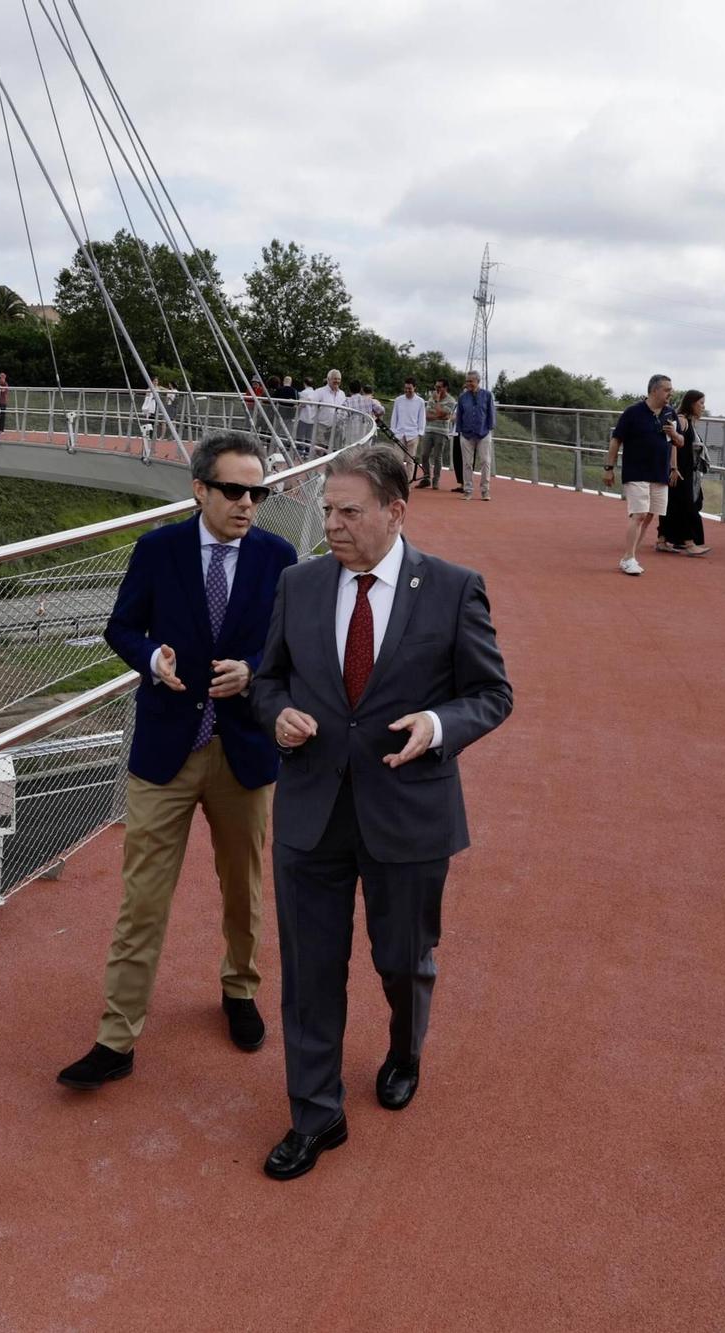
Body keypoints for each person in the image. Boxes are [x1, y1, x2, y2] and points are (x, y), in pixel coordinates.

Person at [250, 445, 512, 1179]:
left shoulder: (454, 589)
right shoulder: (299, 585)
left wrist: (437, 726)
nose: (330, 524)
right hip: (312, 809)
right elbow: (267, 680)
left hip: (408, 812)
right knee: (308, 970)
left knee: (401, 959)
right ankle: (315, 1113)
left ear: (397, 511)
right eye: (327, 510)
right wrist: (278, 716)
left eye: (348, 512)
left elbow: (491, 694)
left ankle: (405, 1047)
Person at [58, 433, 299, 1091]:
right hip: (165, 750)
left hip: (244, 750)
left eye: (258, 492)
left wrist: (251, 671)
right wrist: (151, 657)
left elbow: (289, 646)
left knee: (243, 888)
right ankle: (116, 1037)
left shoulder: (280, 556)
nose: (248, 503)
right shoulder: (157, 549)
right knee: (142, 898)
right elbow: (121, 627)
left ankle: (239, 989)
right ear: (200, 488)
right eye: (234, 490)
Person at [604, 374, 682, 575]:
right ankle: (629, 558)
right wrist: (609, 468)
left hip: (659, 472)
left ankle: (629, 557)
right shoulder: (633, 412)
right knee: (638, 514)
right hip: (636, 471)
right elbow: (616, 440)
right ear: (654, 390)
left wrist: (673, 434)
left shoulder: (670, 413)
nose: (670, 393)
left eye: (670, 390)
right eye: (666, 390)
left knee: (648, 516)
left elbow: (680, 442)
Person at [658, 389, 710, 556]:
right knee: (687, 506)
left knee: (672, 505)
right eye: (700, 403)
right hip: (679, 470)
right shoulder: (682, 420)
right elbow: (673, 442)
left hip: (683, 469)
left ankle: (662, 540)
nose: (703, 406)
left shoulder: (687, 421)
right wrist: (674, 468)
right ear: (692, 403)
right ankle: (689, 544)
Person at [455, 371, 496, 500]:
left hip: (483, 433)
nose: (468, 384)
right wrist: (459, 430)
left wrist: (489, 427)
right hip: (466, 434)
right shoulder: (462, 397)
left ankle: (485, 490)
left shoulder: (487, 395)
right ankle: (467, 490)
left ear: (477, 381)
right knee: (467, 463)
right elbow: (459, 415)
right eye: (467, 381)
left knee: (485, 461)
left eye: (471, 381)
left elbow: (491, 413)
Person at [418, 379, 454, 489]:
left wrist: (438, 402)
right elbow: (427, 415)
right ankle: (426, 477)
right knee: (424, 455)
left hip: (441, 432)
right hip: (429, 430)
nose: (437, 389)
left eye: (439, 387)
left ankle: (436, 480)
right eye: (436, 387)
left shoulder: (451, 401)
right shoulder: (430, 399)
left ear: (445, 388)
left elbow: (441, 413)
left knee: (437, 456)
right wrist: (440, 416)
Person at [304, 368, 347, 454]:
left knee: (334, 452)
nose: (337, 381)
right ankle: (316, 467)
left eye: (339, 379)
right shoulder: (320, 391)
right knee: (318, 451)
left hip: (336, 428)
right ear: (328, 379)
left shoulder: (342, 393)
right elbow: (309, 399)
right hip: (321, 426)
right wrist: (300, 404)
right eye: (335, 378)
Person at [389, 379, 426, 474]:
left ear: (414, 388)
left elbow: (422, 418)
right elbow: (394, 416)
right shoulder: (398, 400)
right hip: (399, 433)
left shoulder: (420, 401)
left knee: (410, 461)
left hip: (413, 434)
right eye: (406, 388)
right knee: (397, 460)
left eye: (410, 388)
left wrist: (420, 433)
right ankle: (397, 481)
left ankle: (408, 483)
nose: (407, 390)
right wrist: (393, 431)